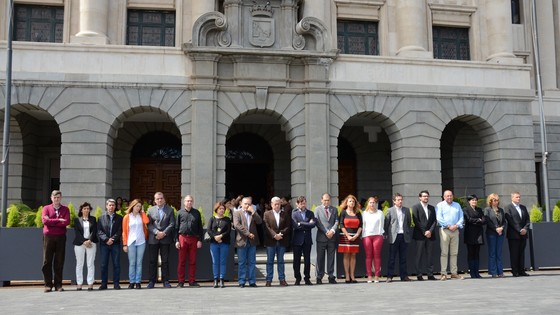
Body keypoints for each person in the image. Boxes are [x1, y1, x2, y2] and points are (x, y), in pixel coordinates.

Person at [41, 190, 70, 292]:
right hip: (48, 237)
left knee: (59, 261)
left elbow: (67, 222)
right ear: (51, 198)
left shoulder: (65, 209)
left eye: (58, 197)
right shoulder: (46, 208)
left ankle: (58, 284)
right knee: (47, 261)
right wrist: (58, 220)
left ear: (61, 198)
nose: (56, 199)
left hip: (61, 237)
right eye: (54, 197)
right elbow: (45, 221)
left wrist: (51, 221)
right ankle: (48, 284)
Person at [147, 192, 176, 288]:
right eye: (157, 199)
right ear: (155, 200)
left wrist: (163, 233)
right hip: (153, 238)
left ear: (164, 199)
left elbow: (172, 223)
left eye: (161, 198)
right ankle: (152, 281)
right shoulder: (150, 210)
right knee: (152, 260)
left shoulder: (170, 210)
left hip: (165, 238)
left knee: (165, 261)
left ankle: (166, 281)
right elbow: (149, 224)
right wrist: (156, 232)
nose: (159, 200)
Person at [175, 195, 204, 287]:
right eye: (187, 201)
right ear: (184, 202)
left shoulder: (197, 213)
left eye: (191, 201)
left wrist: (200, 240)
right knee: (181, 261)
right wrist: (176, 240)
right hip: (182, 238)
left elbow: (200, 228)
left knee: (192, 261)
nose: (189, 202)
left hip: (193, 239)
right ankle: (181, 281)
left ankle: (192, 281)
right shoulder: (179, 213)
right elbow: (176, 228)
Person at [233, 196, 262, 287]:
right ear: (241, 204)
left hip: (252, 241)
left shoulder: (253, 213)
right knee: (241, 262)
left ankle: (252, 281)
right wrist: (248, 233)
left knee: (252, 262)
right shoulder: (237, 213)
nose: (247, 205)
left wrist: (253, 212)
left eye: (249, 204)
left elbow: (259, 221)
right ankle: (241, 281)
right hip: (242, 241)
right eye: (245, 203)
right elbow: (237, 225)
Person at [436, 190, 464, 280]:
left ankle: (454, 273)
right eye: (447, 196)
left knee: (454, 253)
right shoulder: (440, 205)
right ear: (444, 197)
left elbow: (461, 217)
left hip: (455, 230)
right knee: (444, 252)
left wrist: (456, 226)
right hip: (445, 230)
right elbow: (439, 218)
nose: (449, 197)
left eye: (450, 196)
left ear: (453, 196)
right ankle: (443, 273)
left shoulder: (457, 205)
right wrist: (448, 226)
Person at [263, 196, 291, 287]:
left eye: (279, 204)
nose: (277, 206)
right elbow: (267, 227)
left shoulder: (285, 214)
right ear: (271, 204)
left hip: (281, 240)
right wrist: (274, 235)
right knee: (270, 261)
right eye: (275, 204)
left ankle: (282, 279)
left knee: (281, 261)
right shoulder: (267, 214)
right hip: (271, 241)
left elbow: (288, 226)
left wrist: (280, 234)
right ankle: (269, 279)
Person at [122, 199, 149, 289]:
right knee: (132, 262)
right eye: (137, 206)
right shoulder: (127, 217)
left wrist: (143, 212)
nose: (138, 208)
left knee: (139, 262)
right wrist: (125, 244)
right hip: (131, 241)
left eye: (140, 206)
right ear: (133, 206)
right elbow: (124, 232)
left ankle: (138, 281)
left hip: (141, 241)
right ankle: (132, 281)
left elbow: (146, 222)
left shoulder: (141, 216)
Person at [384, 193, 412, 282]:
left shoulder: (406, 210)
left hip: (404, 236)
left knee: (403, 257)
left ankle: (404, 276)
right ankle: (389, 276)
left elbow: (408, 222)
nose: (400, 201)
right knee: (392, 257)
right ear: (394, 201)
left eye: (401, 200)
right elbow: (386, 223)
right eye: (398, 200)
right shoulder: (390, 210)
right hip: (394, 236)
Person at [411, 190, 437, 281]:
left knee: (430, 255)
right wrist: (424, 231)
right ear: (420, 197)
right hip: (419, 235)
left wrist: (430, 231)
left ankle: (430, 274)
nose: (426, 198)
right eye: (424, 196)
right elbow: (416, 221)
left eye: (427, 196)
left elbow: (434, 221)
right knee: (419, 255)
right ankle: (419, 274)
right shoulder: (415, 207)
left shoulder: (432, 208)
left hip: (430, 235)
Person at [97, 199, 123, 290]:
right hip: (104, 244)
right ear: (106, 206)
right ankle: (104, 284)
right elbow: (99, 231)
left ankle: (116, 284)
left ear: (115, 206)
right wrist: (106, 239)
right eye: (110, 205)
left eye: (113, 205)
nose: (111, 207)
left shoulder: (120, 218)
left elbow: (120, 230)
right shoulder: (101, 218)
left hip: (115, 243)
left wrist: (113, 239)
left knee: (116, 264)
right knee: (104, 264)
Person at [504, 192, 531, 277]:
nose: (518, 199)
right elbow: (510, 221)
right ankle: (515, 271)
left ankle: (521, 270)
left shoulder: (523, 207)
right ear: (512, 198)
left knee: (521, 253)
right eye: (516, 197)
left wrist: (525, 229)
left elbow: (527, 219)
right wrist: (519, 230)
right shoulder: (508, 207)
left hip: (523, 234)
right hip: (513, 234)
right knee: (514, 253)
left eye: (519, 197)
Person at [73, 202, 98, 291]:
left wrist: (89, 240)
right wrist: (84, 241)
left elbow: (94, 231)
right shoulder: (77, 220)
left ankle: (90, 283)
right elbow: (77, 233)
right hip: (80, 244)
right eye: (84, 208)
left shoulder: (93, 219)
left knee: (90, 263)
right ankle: (79, 284)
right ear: (81, 210)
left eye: (88, 208)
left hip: (91, 243)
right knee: (79, 264)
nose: (86, 210)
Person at [291, 196, 316, 285]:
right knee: (296, 260)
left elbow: (313, 224)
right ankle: (297, 278)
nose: (303, 205)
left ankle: (307, 278)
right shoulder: (294, 213)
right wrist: (306, 224)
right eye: (301, 203)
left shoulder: (310, 213)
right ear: (297, 204)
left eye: (304, 203)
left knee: (307, 260)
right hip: (297, 240)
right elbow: (295, 226)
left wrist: (300, 223)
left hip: (307, 240)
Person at [315, 193, 339, 284]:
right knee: (320, 258)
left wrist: (332, 231)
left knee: (331, 257)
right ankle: (319, 276)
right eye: (325, 200)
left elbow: (337, 221)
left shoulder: (334, 209)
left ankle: (331, 275)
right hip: (321, 237)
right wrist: (326, 231)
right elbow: (317, 222)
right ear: (321, 200)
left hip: (332, 237)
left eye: (328, 200)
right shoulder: (317, 209)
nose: (326, 202)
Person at [338, 194, 362, 283]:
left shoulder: (358, 213)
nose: (352, 203)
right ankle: (347, 275)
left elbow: (361, 225)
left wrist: (357, 235)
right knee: (346, 255)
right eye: (350, 201)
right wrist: (347, 235)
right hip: (345, 236)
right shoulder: (343, 212)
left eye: (353, 201)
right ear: (347, 203)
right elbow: (341, 224)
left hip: (355, 236)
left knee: (353, 255)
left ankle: (352, 275)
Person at [207, 201, 232, 288]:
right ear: (216, 209)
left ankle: (221, 279)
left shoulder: (227, 219)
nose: (222, 210)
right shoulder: (212, 219)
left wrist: (221, 236)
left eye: (223, 209)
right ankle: (215, 279)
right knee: (215, 262)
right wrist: (215, 237)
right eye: (220, 209)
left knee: (222, 261)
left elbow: (228, 231)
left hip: (224, 243)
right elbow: (209, 230)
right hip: (214, 243)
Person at [362, 196, 384, 283]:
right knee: (368, 256)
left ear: (376, 204)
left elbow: (381, 224)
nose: (372, 204)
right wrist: (363, 235)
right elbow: (363, 225)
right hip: (367, 235)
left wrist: (380, 234)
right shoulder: (364, 213)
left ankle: (377, 276)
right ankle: (369, 276)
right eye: (370, 202)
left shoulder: (380, 213)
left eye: (373, 202)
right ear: (368, 203)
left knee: (377, 255)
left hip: (377, 235)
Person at [463, 194, 486, 278]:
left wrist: (477, 220)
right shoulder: (466, 209)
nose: (474, 201)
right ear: (469, 201)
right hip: (470, 234)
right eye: (472, 200)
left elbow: (484, 220)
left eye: (475, 200)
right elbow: (468, 220)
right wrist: (478, 220)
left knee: (477, 253)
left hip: (478, 234)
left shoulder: (479, 209)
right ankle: (472, 272)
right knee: (471, 253)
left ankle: (476, 272)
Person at [484, 193, 507, 278]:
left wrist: (502, 228)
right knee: (492, 252)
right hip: (491, 233)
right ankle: (493, 272)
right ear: (490, 201)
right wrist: (496, 228)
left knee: (499, 253)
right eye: (494, 200)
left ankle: (500, 271)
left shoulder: (501, 210)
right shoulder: (487, 210)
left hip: (500, 233)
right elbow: (488, 221)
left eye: (497, 200)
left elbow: (504, 221)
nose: (496, 202)